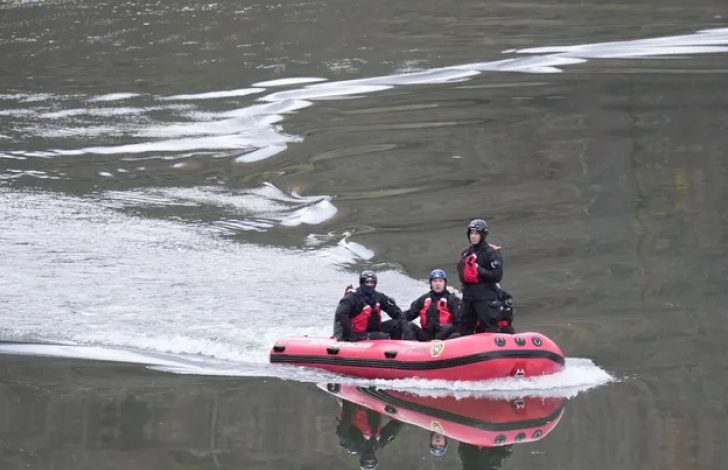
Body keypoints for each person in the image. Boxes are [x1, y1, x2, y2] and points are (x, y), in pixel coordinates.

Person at [456, 219, 514, 335]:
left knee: (489, 327)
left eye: (476, 234)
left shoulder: (491, 253)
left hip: (485, 298)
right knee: (464, 328)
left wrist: (479, 269)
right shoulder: (466, 253)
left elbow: (497, 276)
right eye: (471, 233)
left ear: (483, 235)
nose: (473, 236)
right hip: (468, 298)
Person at [333, 270, 408, 341]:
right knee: (382, 336)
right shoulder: (351, 297)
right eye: (367, 282)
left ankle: (399, 346)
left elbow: (397, 312)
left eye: (372, 282)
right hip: (353, 333)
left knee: (397, 325)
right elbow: (341, 314)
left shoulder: (379, 297)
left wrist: (407, 332)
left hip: (371, 330)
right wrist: (350, 335)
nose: (370, 285)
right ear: (362, 282)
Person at [336, 397, 404, 470]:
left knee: (367, 433)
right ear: (375, 459)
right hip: (375, 405)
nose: (369, 459)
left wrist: (350, 408)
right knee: (373, 434)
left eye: (367, 461)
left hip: (354, 404)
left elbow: (341, 432)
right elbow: (396, 426)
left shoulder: (352, 446)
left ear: (361, 460)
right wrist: (397, 412)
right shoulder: (379, 443)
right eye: (372, 461)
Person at [403, 269, 461, 341]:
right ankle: (411, 345)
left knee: (448, 327)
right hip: (426, 336)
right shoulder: (424, 299)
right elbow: (410, 314)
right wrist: (397, 316)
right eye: (435, 281)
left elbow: (459, 320)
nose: (437, 284)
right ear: (431, 283)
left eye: (440, 281)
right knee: (408, 325)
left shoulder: (453, 299)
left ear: (445, 283)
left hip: (444, 336)